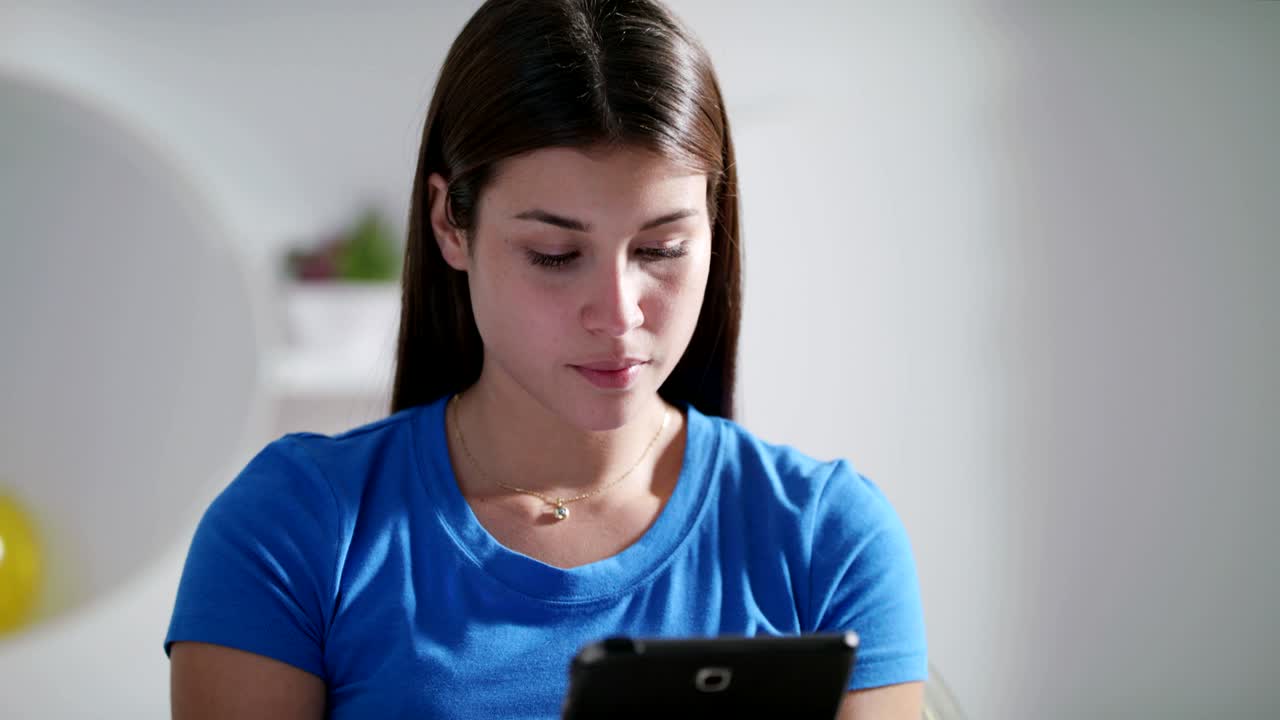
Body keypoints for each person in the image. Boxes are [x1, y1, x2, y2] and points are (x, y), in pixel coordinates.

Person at [165, 0, 928, 717]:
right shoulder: (293, 527)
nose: (620, 313)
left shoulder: (828, 536)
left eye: (662, 248)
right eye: (557, 254)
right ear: (450, 224)